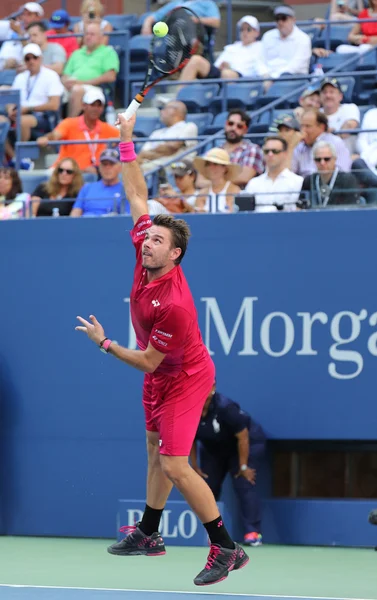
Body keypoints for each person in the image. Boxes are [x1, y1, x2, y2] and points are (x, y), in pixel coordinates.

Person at [75, 112, 249, 586]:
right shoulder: (143, 250)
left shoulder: (174, 304)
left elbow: (149, 360)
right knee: (155, 450)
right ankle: (149, 533)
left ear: (175, 254)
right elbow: (135, 193)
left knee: (174, 462)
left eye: (156, 240)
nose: (146, 241)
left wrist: (106, 344)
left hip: (187, 377)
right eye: (147, 236)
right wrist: (127, 138)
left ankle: (226, 547)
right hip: (161, 375)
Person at [190, 383, 266, 546]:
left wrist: (244, 467)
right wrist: (194, 466)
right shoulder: (189, 407)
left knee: (244, 483)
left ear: (212, 389)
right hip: (214, 449)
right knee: (207, 487)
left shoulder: (226, 407)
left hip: (244, 446)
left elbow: (243, 437)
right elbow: (190, 439)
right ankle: (211, 532)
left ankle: (253, 532)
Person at [0, 43, 63, 164]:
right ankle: (15, 158)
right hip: (20, 112)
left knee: (23, 121)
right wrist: (10, 109)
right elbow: (13, 99)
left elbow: (54, 104)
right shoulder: (21, 77)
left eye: (34, 57)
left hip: (43, 116)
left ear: (40, 58)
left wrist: (28, 108)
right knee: (1, 121)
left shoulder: (51, 75)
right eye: (27, 58)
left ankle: (22, 157)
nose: (31, 61)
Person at [37, 88, 119, 173]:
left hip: (91, 174)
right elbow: (55, 135)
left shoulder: (106, 128)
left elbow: (128, 138)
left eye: (99, 105)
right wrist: (47, 138)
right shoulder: (69, 123)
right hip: (66, 172)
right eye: (92, 105)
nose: (95, 108)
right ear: (84, 106)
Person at [178, 16, 268, 85]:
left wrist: (229, 68)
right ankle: (178, 98)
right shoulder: (231, 47)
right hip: (222, 75)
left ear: (257, 32)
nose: (244, 32)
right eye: (242, 29)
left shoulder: (261, 47)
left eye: (248, 29)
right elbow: (217, 67)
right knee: (195, 59)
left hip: (242, 78)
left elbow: (263, 70)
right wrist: (222, 66)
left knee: (227, 74)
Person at [62, 22, 119, 117]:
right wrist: (66, 82)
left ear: (100, 37)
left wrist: (84, 83)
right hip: (71, 86)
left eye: (92, 34)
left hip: (95, 87)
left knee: (77, 90)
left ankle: (70, 125)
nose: (88, 37)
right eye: (86, 34)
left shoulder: (108, 52)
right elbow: (65, 74)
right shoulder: (77, 53)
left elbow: (111, 76)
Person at [244, 135, 303, 211]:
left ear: (285, 154)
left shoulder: (298, 182)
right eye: (266, 151)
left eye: (275, 151)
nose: (270, 154)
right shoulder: (253, 183)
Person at [138, 101, 198, 169]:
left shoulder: (189, 126)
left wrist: (152, 153)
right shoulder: (156, 132)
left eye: (164, 108)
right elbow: (142, 153)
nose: (161, 112)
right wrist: (163, 150)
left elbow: (172, 147)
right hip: (152, 166)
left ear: (175, 111)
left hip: (177, 167)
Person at [292, 109, 352, 177]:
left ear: (321, 127)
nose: (303, 130)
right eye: (301, 126)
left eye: (307, 126)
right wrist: (291, 146)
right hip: (304, 185)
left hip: (328, 185)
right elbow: (289, 174)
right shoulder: (299, 145)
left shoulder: (335, 142)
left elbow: (343, 172)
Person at [300, 141, 360, 207]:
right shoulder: (309, 181)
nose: (322, 163)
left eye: (326, 159)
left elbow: (351, 207)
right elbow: (300, 207)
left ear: (335, 159)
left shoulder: (348, 180)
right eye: (318, 159)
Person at [70, 148, 126, 217]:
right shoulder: (87, 188)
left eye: (111, 164)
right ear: (99, 167)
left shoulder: (125, 190)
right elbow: (75, 214)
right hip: (85, 225)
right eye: (104, 164)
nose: (107, 168)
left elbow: (127, 217)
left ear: (120, 167)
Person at [261, 5, 312, 79]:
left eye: (284, 18)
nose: (280, 22)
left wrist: (274, 78)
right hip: (266, 78)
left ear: (293, 20)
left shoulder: (303, 38)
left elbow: (296, 66)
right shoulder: (267, 36)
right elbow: (260, 60)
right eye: (277, 19)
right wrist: (265, 75)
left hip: (293, 78)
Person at [220, 109, 264, 188]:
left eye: (239, 126)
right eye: (230, 123)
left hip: (240, 196)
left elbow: (245, 177)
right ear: (225, 125)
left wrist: (215, 181)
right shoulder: (216, 150)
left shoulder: (252, 149)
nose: (233, 128)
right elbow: (200, 181)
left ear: (245, 130)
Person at [193, 148, 241, 213]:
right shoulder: (202, 193)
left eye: (215, 164)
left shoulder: (234, 190)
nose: (211, 167)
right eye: (208, 164)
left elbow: (232, 216)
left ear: (225, 168)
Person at [0, 2, 44, 70]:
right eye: (23, 14)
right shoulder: (14, 26)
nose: (25, 17)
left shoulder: (38, 32)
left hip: (15, 68)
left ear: (38, 17)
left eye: (29, 14)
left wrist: (19, 32)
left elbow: (31, 50)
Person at [141, 0, 221, 35]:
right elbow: (153, 16)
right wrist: (146, 26)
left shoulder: (207, 3)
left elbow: (216, 22)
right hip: (170, 29)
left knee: (182, 14)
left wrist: (196, 19)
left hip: (193, 31)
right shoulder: (177, 2)